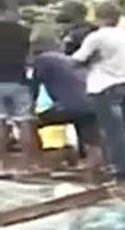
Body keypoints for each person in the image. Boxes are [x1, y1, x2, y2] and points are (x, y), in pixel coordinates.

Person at [72, 0, 125, 182]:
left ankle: (121, 171)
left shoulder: (97, 37)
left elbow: (77, 59)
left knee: (114, 131)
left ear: (99, 17)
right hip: (124, 84)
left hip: (103, 85)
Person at [31, 43, 103, 172]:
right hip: (92, 104)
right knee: (91, 138)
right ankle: (93, 167)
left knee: (29, 123)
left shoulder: (42, 60)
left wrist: (32, 105)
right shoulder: (68, 60)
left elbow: (34, 86)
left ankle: (37, 162)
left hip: (69, 107)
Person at [0, 0, 40, 173]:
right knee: (24, 122)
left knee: (0, 123)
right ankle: (29, 165)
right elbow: (30, 59)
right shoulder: (24, 31)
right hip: (19, 80)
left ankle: (2, 165)